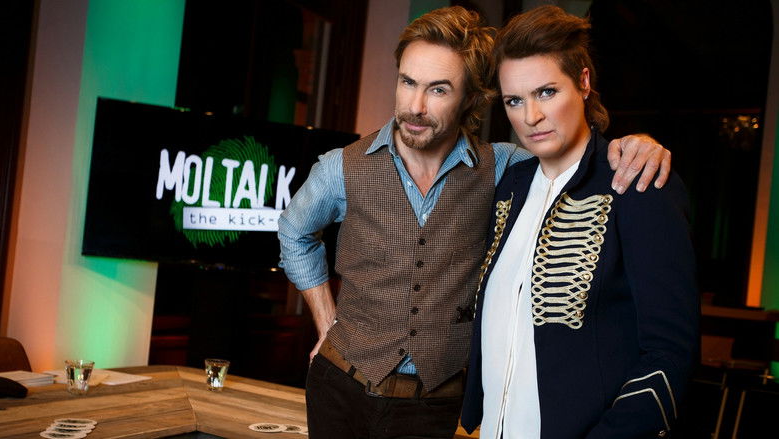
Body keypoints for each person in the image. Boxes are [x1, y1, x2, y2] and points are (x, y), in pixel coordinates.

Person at [278, 6, 671, 438]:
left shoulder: (506, 169)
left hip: (436, 404)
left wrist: (637, 145)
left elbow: (571, 156)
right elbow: (294, 233)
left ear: (471, 98)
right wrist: (327, 320)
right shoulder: (341, 167)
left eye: (438, 89)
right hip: (339, 387)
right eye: (407, 82)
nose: (415, 106)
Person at [460, 6, 699, 438]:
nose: (530, 117)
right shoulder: (510, 185)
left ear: (584, 82)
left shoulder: (638, 184)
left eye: (547, 92)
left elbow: (669, 355)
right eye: (515, 100)